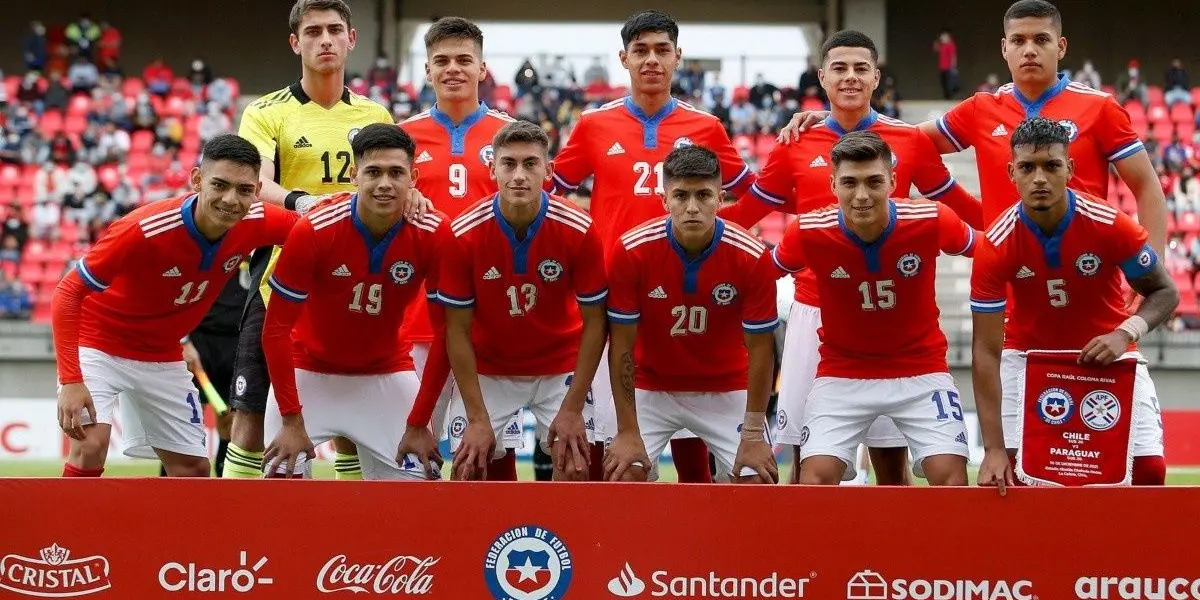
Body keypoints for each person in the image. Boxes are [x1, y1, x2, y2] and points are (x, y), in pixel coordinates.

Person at [719, 30, 982, 485]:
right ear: (821, 76)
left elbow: (963, 207)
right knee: (808, 458)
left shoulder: (909, 141)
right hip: (814, 312)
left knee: (890, 462)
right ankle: (818, 553)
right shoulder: (795, 141)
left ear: (876, 77)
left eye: (861, 68)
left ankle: (889, 552)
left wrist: (1033, 230)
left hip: (891, 320)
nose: (850, 77)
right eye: (839, 68)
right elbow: (747, 212)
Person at [781, 0, 1166, 257]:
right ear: (1004, 48)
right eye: (1018, 40)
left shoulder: (1099, 107)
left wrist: (1155, 264)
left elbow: (1146, 186)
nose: (1029, 49)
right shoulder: (982, 108)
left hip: (1086, 268)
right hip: (1008, 272)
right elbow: (904, 138)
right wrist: (834, 121)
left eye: (1041, 40)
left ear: (1061, 46)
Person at [550, 10, 756, 482]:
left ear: (678, 57)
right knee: (616, 444)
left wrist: (723, 246)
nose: (651, 60)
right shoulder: (593, 125)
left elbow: (754, 193)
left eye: (662, 50)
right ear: (623, 58)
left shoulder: (706, 127)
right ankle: (618, 546)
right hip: (611, 300)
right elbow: (546, 194)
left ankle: (699, 553)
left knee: (693, 453)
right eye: (640, 51)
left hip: (685, 297)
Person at [52, 135, 300, 478]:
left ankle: (164, 535)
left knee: (193, 469)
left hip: (163, 355)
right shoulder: (142, 228)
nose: (230, 199)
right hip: (100, 346)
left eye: (244, 189)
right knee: (91, 446)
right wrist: (71, 380)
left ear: (258, 189)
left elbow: (318, 231)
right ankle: (65, 534)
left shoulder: (257, 220)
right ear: (197, 179)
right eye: (219, 185)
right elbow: (67, 292)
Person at [221, 0, 398, 480]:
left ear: (351, 40)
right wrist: (303, 203)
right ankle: (238, 529)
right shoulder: (266, 112)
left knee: (349, 417)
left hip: (354, 278)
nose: (325, 40)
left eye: (334, 30)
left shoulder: (374, 112)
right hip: (279, 273)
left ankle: (347, 530)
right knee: (249, 415)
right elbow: (255, 180)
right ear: (296, 43)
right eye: (313, 31)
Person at [970, 117, 1179, 490]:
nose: (1039, 178)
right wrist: (993, 448)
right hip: (1028, 359)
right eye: (1027, 167)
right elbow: (986, 349)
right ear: (1010, 173)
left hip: (1108, 355)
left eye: (1051, 165)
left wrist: (1124, 332)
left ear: (1070, 169)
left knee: (1149, 471)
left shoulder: (1110, 224)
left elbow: (1165, 291)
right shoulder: (996, 244)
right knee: (1008, 477)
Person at [400, 120, 607, 481]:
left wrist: (573, 406)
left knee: (576, 466)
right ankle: (476, 539)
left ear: (549, 171)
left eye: (530, 164)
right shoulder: (463, 233)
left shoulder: (579, 227)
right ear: (492, 168)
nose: (519, 175)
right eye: (508, 164)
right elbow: (456, 331)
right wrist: (478, 419)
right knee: (468, 467)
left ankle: (565, 539)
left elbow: (596, 322)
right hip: (489, 369)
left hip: (559, 367)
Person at [768, 131, 977, 486]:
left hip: (921, 372)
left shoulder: (931, 219)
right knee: (812, 480)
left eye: (874, 182)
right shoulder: (808, 230)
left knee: (951, 479)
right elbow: (753, 276)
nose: (862, 195)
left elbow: (997, 253)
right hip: (841, 373)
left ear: (893, 181)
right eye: (849, 182)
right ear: (833, 183)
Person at [259, 124, 448, 479]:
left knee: (424, 481)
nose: (384, 183)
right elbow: (276, 330)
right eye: (373, 172)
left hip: (386, 371)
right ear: (354, 175)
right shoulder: (315, 228)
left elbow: (448, 334)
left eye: (397, 173)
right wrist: (290, 417)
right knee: (279, 480)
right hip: (308, 371)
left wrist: (420, 422)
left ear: (414, 177)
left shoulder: (433, 232)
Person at [603, 145, 779, 484]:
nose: (692, 207)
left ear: (721, 198)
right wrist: (627, 430)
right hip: (650, 388)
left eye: (703, 195)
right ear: (664, 199)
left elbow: (761, 349)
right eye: (681, 195)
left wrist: (754, 432)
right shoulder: (632, 250)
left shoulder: (751, 256)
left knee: (757, 479)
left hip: (725, 388)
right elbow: (621, 346)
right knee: (623, 476)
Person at [396, 16, 523, 481]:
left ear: (483, 68)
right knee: (413, 448)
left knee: (490, 449)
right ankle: (419, 544)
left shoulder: (512, 137)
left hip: (489, 314)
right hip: (417, 315)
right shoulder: (399, 140)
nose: (453, 69)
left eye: (464, 59)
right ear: (427, 70)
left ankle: (489, 543)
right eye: (442, 61)